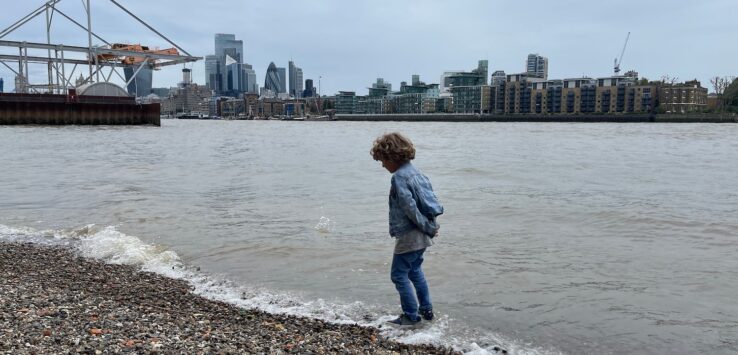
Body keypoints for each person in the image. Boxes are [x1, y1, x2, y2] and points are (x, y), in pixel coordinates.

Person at [370, 132, 444, 326]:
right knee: (415, 271)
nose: (383, 165)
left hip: (411, 233)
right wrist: (431, 226)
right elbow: (429, 201)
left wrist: (428, 228)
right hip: (422, 232)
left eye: (383, 160)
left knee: (398, 274)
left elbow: (409, 208)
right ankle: (426, 310)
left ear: (392, 156)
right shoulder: (418, 173)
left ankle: (411, 316)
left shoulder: (400, 177)